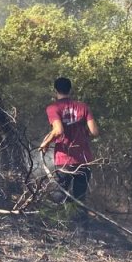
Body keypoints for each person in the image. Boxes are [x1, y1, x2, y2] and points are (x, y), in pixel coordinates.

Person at [38, 77, 98, 216]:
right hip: (83, 158)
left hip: (64, 158)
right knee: (80, 199)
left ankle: (58, 227)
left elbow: (58, 130)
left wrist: (45, 143)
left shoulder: (53, 108)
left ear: (55, 90)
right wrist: (82, 134)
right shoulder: (83, 107)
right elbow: (95, 132)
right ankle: (82, 231)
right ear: (70, 89)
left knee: (59, 195)